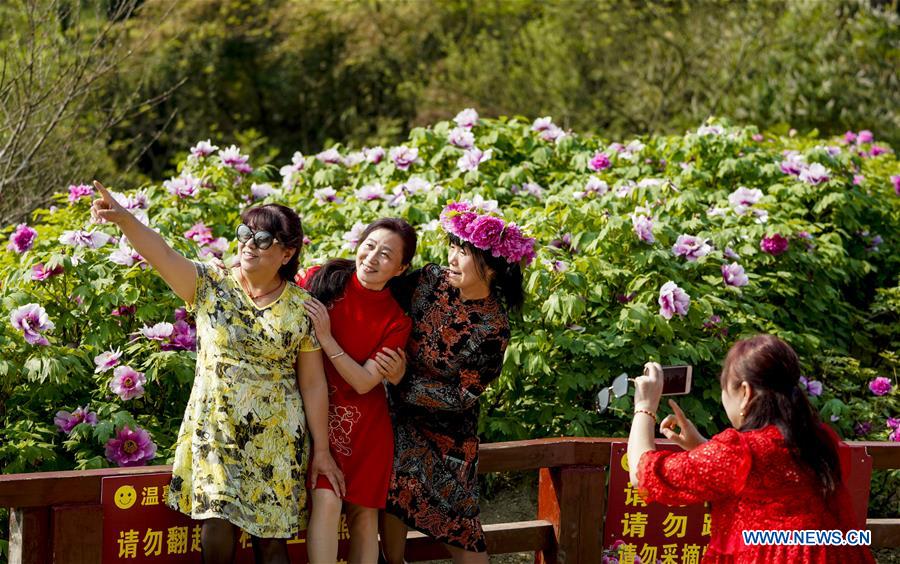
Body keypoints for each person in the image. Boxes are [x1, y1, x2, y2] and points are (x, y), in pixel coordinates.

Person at [90, 182, 343, 564]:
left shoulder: (302, 307)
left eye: (262, 238)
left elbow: (312, 382)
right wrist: (126, 219)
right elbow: (161, 253)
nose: (248, 244)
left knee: (271, 542)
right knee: (216, 527)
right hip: (216, 430)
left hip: (276, 439)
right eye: (244, 233)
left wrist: (321, 450)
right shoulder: (210, 284)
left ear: (287, 252)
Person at [627, 334, 875, 563]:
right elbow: (763, 478)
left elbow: (642, 474)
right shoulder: (819, 439)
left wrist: (645, 407)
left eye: (725, 388)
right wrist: (702, 446)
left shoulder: (738, 449)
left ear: (745, 392)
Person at [380, 201, 535, 564]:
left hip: (449, 438)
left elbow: (463, 395)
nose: (452, 257)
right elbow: (379, 293)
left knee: (464, 534)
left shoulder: (493, 327)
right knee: (394, 481)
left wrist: (405, 380)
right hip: (397, 417)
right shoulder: (429, 279)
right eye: (452, 246)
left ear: (492, 269)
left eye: (462, 251)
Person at [297, 218, 415, 563]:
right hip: (315, 417)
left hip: (367, 429)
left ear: (400, 268)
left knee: (365, 518)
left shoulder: (397, 320)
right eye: (370, 245)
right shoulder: (321, 279)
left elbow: (365, 381)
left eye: (386, 254)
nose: (372, 257)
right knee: (328, 499)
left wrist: (327, 338)